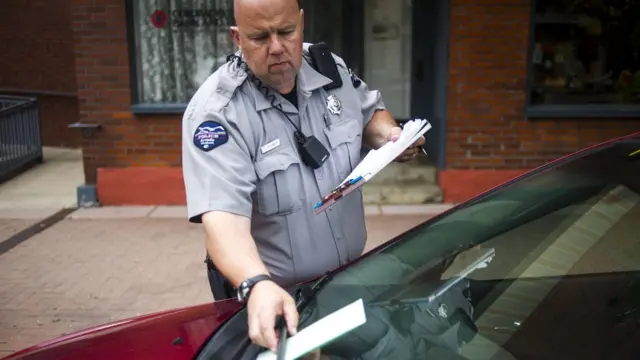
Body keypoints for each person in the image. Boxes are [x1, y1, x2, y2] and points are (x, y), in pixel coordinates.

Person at [181, 0, 426, 353]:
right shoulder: (217, 114)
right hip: (277, 299)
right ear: (237, 38)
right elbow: (223, 222)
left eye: (286, 31)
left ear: (302, 23)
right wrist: (257, 285)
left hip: (347, 281)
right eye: (260, 37)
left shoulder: (330, 69)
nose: (277, 47)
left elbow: (370, 115)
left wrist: (392, 137)